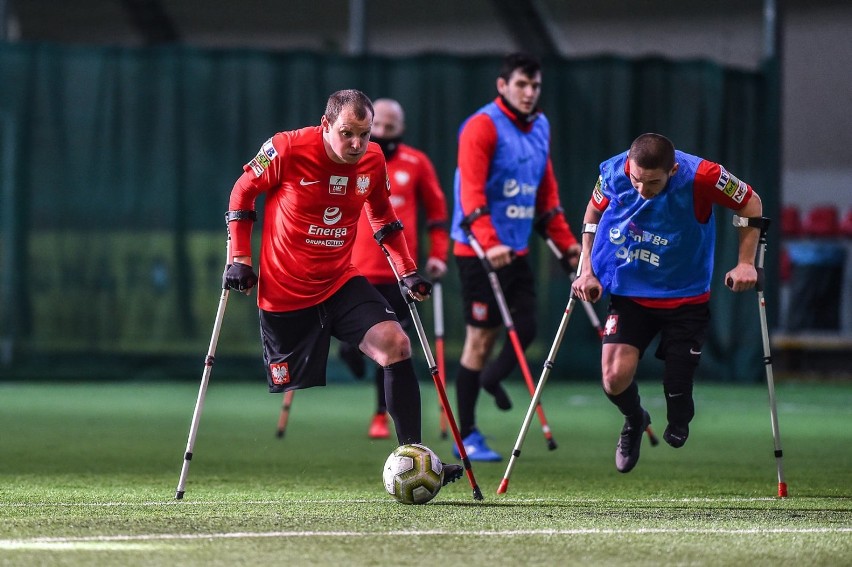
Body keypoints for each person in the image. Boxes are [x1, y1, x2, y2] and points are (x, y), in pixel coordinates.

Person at [224, 89, 462, 486]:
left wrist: (407, 271)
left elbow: (383, 216)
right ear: (326, 125)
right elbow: (242, 191)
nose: (357, 144)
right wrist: (240, 259)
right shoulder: (285, 148)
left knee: (397, 344)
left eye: (364, 134)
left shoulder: (373, 160)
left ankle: (416, 459)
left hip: (340, 280)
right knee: (286, 380)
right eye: (347, 133)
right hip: (287, 292)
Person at [571, 132, 763, 473]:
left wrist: (746, 263)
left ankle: (678, 415)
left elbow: (751, 202)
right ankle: (634, 419)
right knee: (613, 378)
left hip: (685, 295)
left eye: (653, 183)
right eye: (636, 180)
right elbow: (593, 213)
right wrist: (587, 268)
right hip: (630, 291)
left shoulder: (703, 176)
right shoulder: (615, 171)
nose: (642, 191)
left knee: (678, 400)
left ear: (673, 170)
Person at [449, 53, 580, 461]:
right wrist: (489, 242)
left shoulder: (541, 126)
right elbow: (470, 193)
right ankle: (466, 434)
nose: (529, 93)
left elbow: (546, 192)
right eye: (521, 85)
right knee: (480, 338)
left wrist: (566, 243)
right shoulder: (481, 127)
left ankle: (490, 380)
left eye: (535, 86)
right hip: (478, 251)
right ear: (502, 86)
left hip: (518, 247)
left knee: (525, 328)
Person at [338, 98, 450, 439]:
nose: (384, 133)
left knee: (394, 345)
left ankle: (380, 415)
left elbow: (437, 212)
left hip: (400, 273)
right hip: (356, 270)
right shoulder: (352, 160)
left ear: (400, 128)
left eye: (390, 127)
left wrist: (439, 255)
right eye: (379, 127)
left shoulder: (417, 163)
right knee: (353, 342)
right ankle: (348, 352)